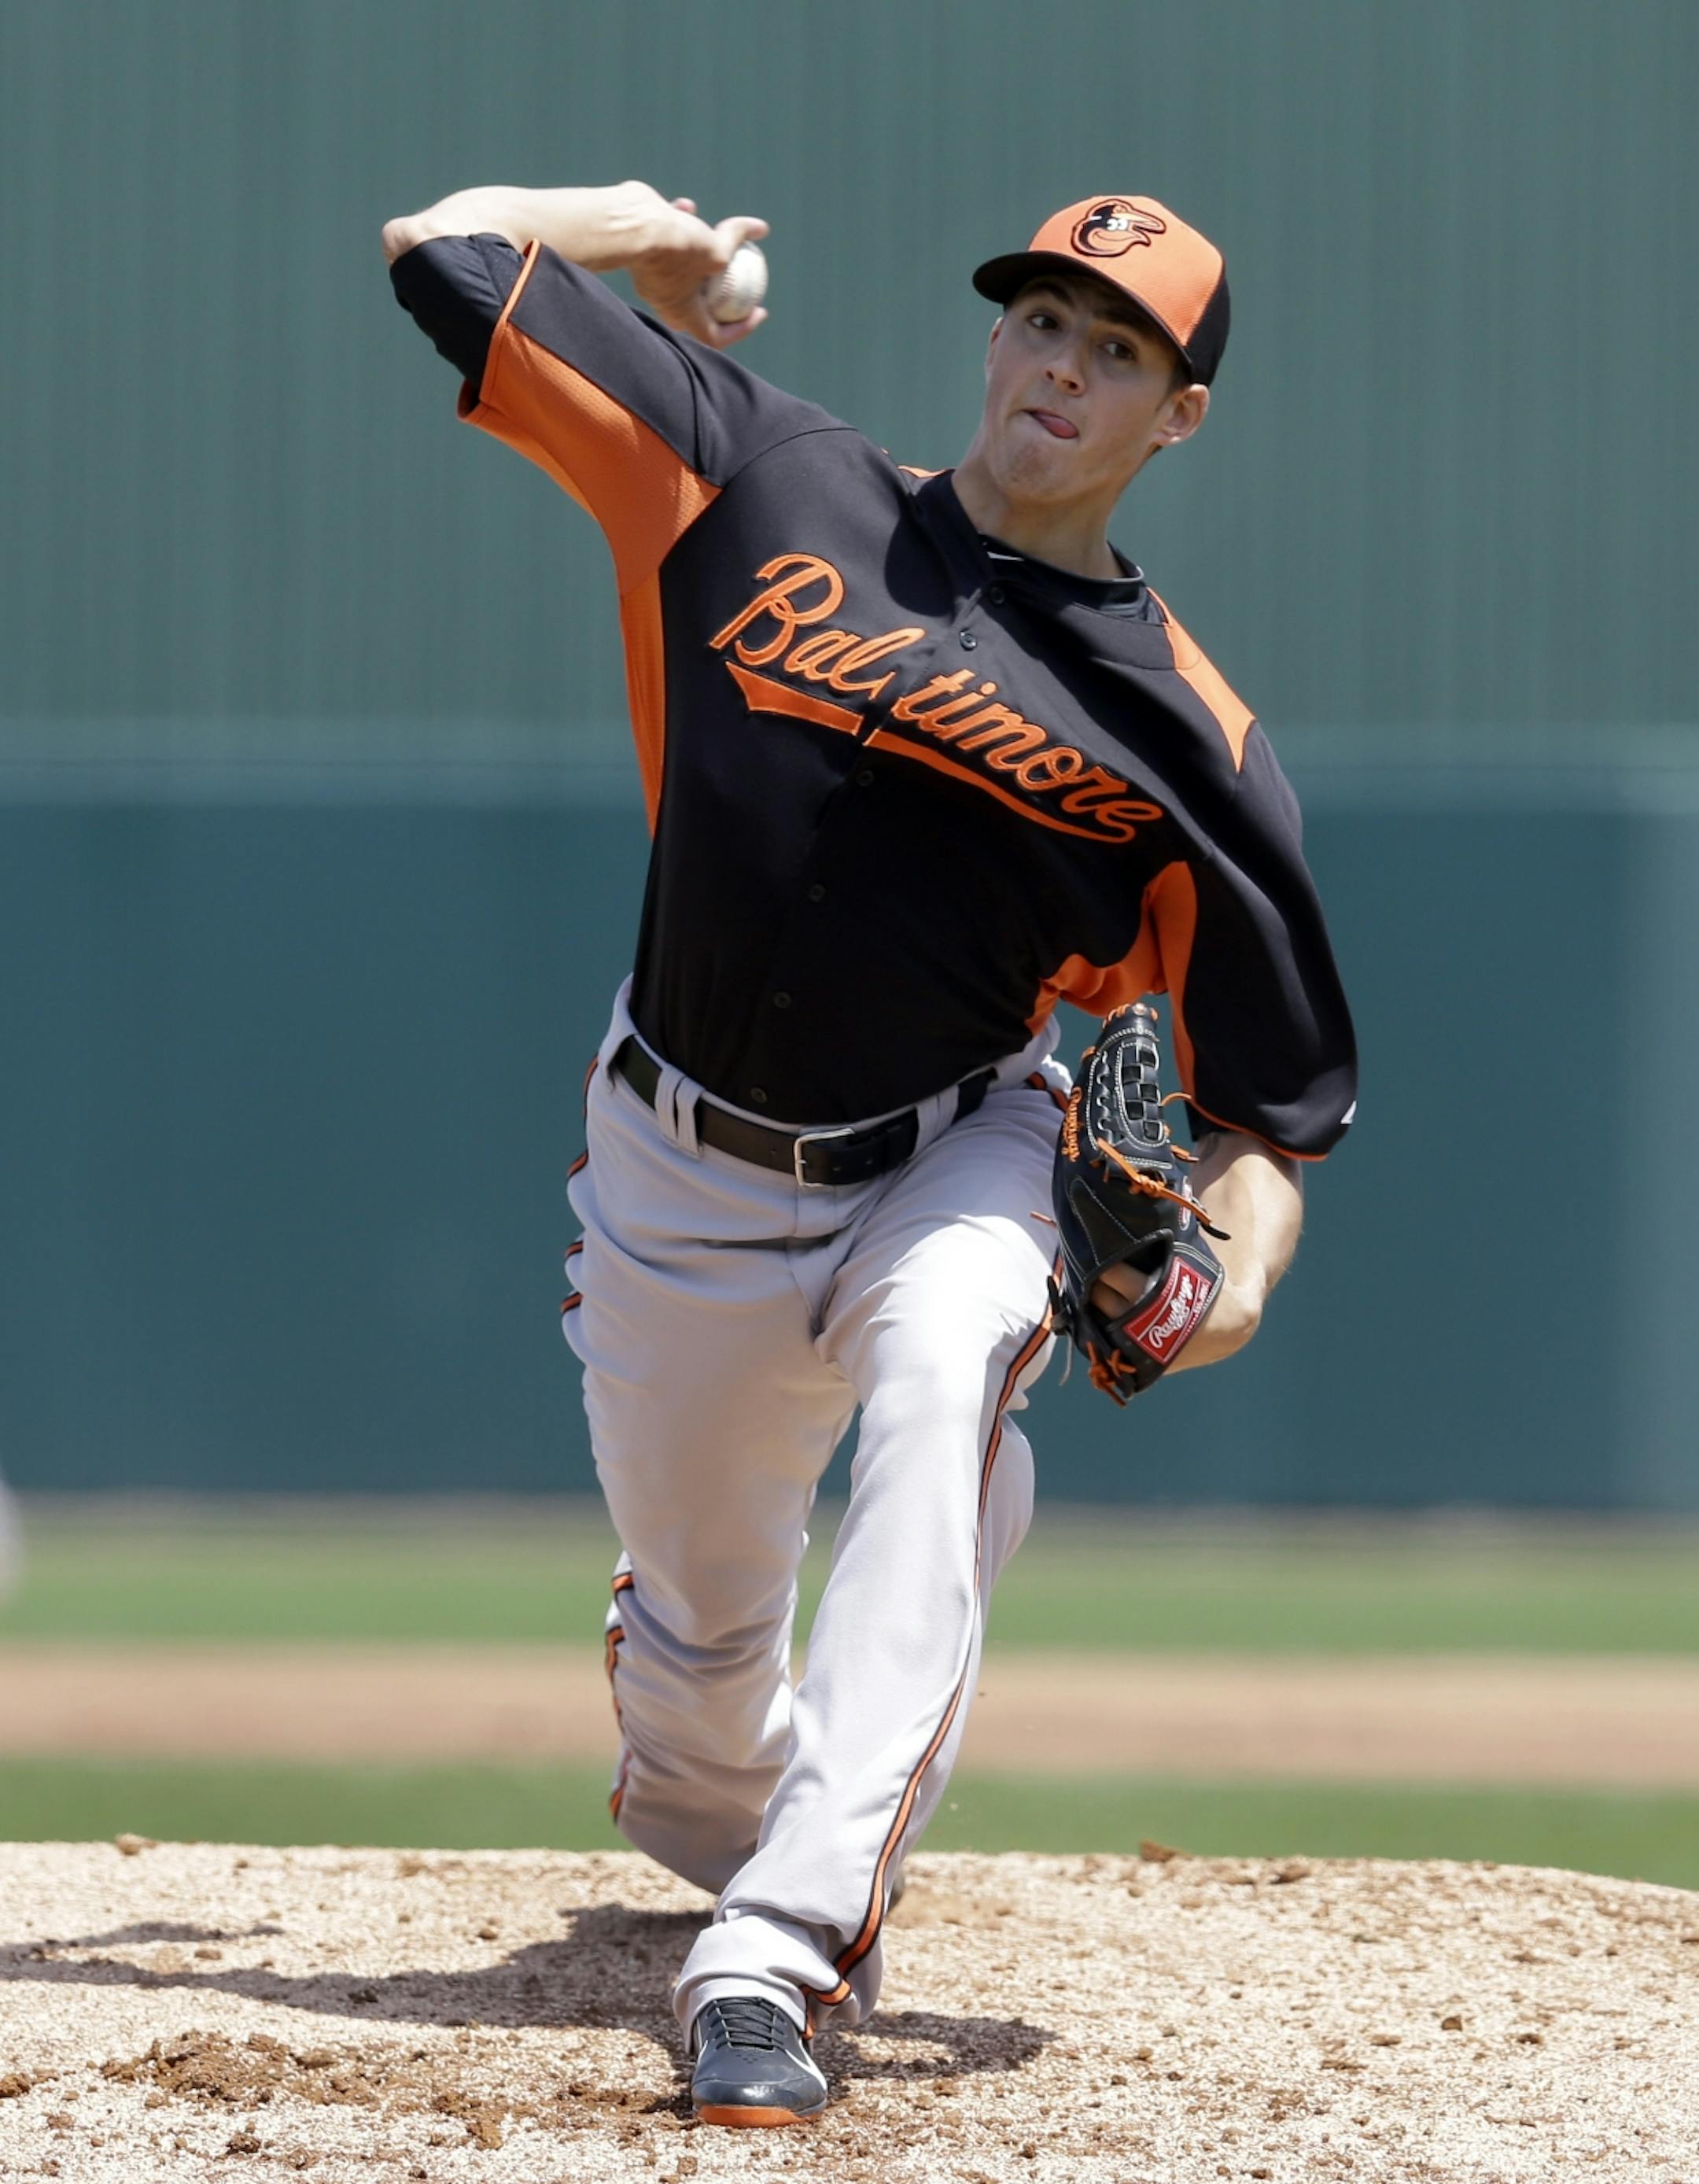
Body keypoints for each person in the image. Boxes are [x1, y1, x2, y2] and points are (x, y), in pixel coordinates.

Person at [381, 182, 1356, 2127]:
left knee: (947, 1380)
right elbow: (442, 249)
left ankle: (780, 1954)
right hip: (676, 1167)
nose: (1063, 367)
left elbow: (1266, 1126)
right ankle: (749, 1823)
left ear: (1180, 417)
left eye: (1121, 350)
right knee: (693, 1721)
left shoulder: (1186, 735)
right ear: (995, 339)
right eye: (1044, 323)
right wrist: (640, 241)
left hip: (958, 1152)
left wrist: (1211, 1284)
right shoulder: (761, 472)